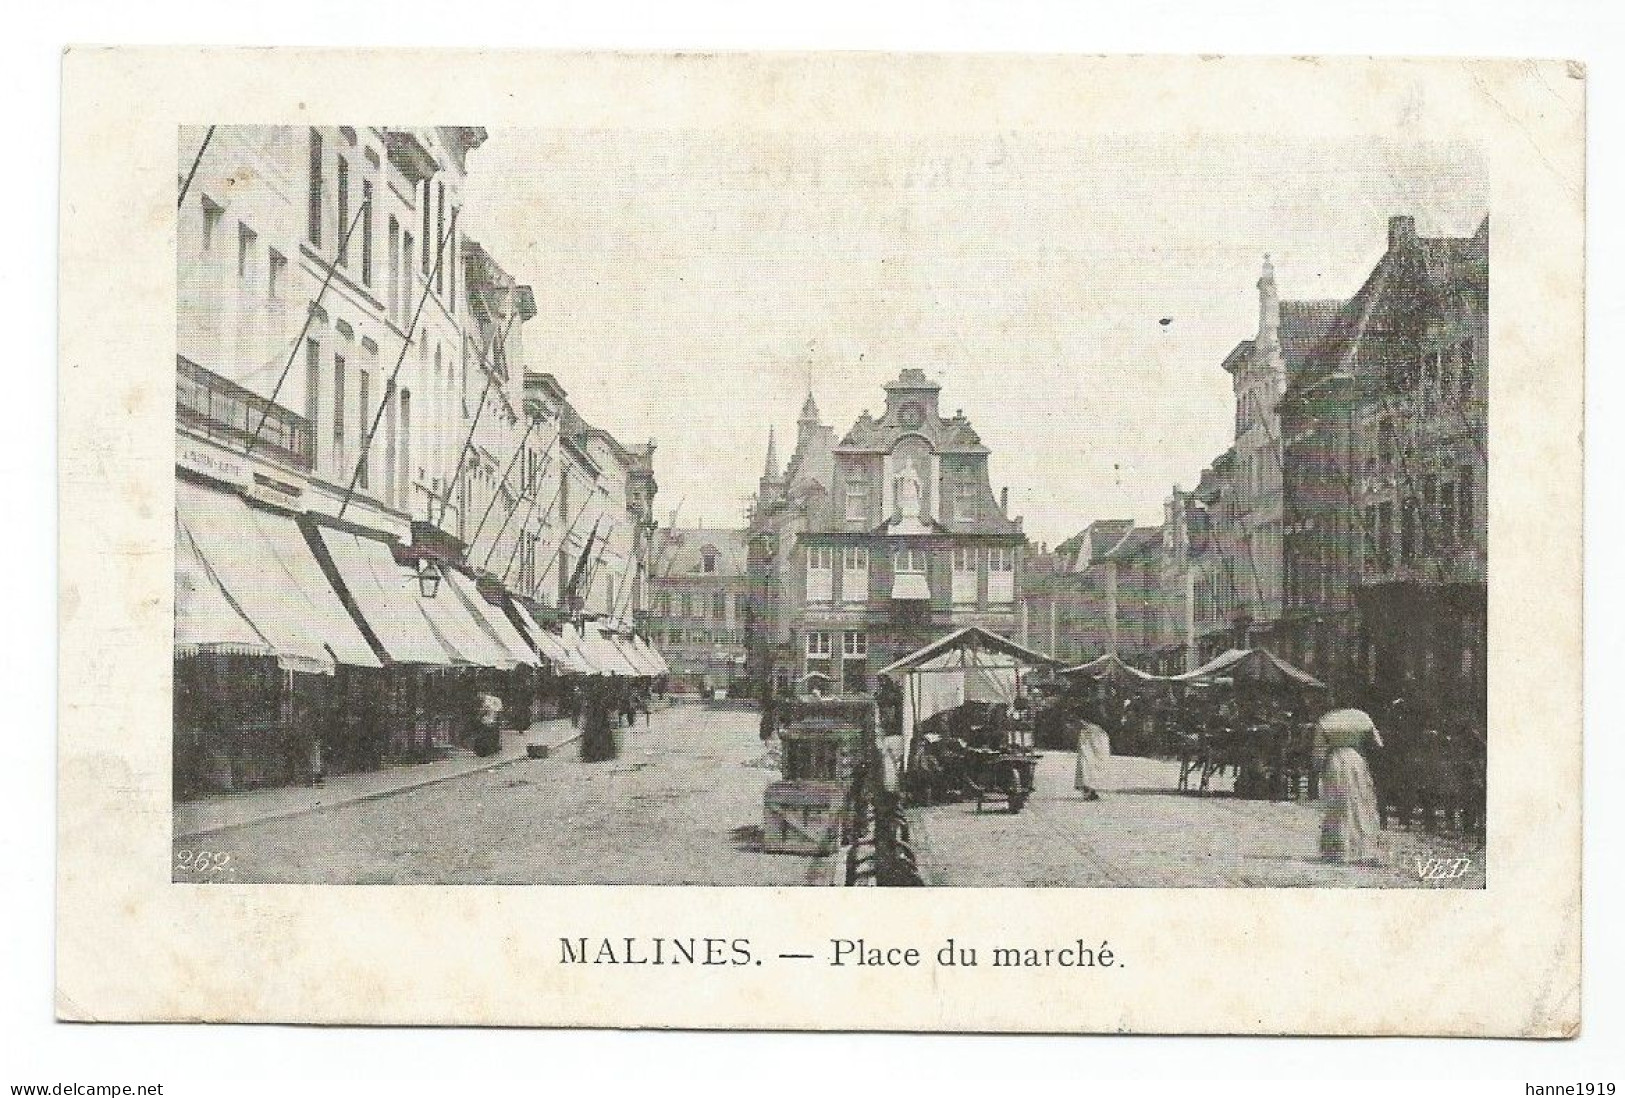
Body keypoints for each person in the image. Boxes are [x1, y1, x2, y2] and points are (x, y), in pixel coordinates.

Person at [1315, 708, 1384, 864]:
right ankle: (1361, 848)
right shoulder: (1361, 717)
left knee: (1337, 805)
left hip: (1335, 761)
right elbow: (1378, 744)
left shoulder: (1327, 720)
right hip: (1356, 761)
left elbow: (1318, 752)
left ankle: (1337, 850)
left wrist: (1318, 768)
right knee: (1360, 802)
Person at [1073, 702, 1113, 801]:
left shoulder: (1092, 721)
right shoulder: (1099, 713)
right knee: (1089, 765)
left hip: (1093, 738)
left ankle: (1090, 790)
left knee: (1087, 765)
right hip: (1095, 737)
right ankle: (1089, 790)